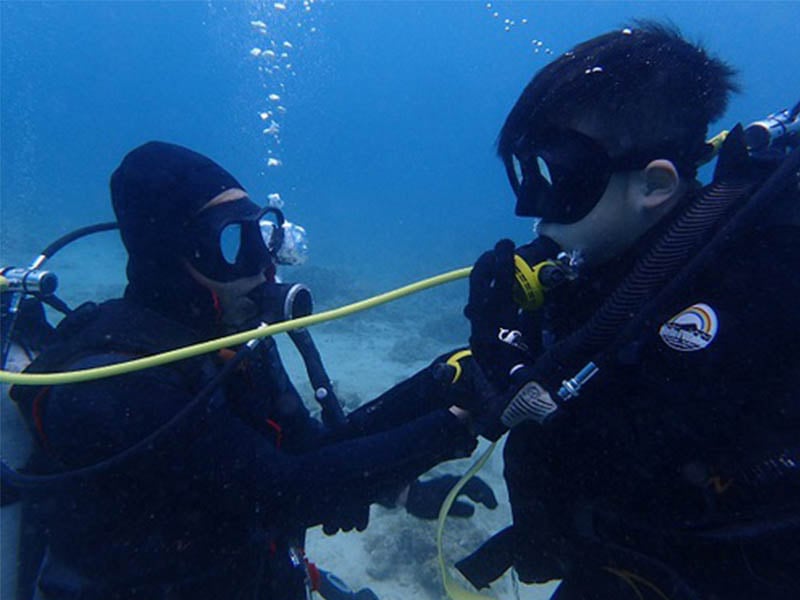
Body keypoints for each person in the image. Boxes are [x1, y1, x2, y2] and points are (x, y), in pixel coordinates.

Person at [6, 141, 500, 600]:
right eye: (232, 242)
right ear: (168, 256)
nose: (263, 266)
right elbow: (285, 492)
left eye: (262, 236)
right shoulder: (118, 383)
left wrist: (441, 386)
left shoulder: (229, 347)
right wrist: (456, 425)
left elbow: (309, 448)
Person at [454, 21, 800, 600]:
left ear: (655, 186)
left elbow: (628, 445)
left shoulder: (752, 290)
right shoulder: (611, 276)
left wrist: (502, 358)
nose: (532, 210)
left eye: (560, 177)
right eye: (530, 173)